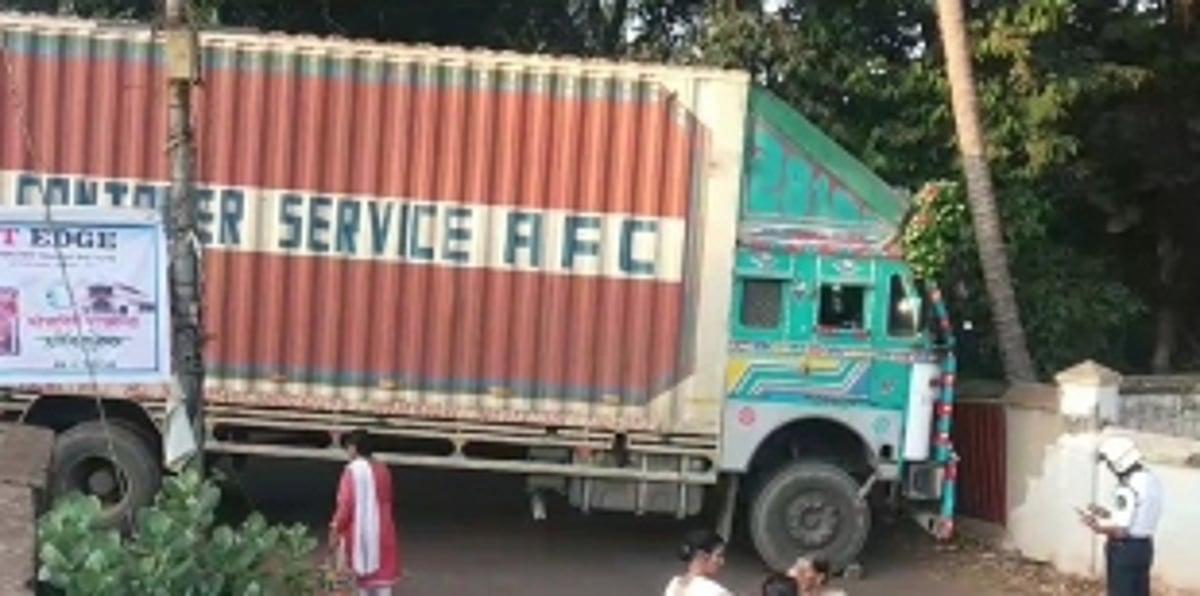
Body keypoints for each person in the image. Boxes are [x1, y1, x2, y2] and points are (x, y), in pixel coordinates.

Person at [1078, 436, 1163, 596]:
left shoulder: (1126, 487)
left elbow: (1121, 531)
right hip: (1144, 547)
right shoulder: (1152, 480)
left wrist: (1097, 527)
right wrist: (1104, 513)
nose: (1110, 468)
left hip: (1125, 550)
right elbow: (1136, 515)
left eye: (1110, 464)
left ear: (1119, 463)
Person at [329, 429, 400, 596]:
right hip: (384, 530)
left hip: (359, 533)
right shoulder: (383, 469)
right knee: (382, 584)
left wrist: (335, 529)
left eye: (347, 448)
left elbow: (345, 506)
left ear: (353, 448)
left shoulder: (352, 471)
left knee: (361, 585)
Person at [663, 529, 733, 596]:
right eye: (719, 556)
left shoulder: (674, 584)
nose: (722, 562)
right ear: (702, 556)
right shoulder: (716, 592)